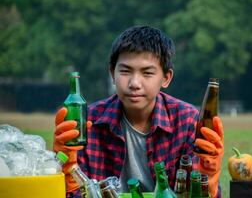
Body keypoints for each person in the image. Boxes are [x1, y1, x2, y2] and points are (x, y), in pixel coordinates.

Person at [53, 25, 224, 198]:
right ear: (112, 72)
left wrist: (208, 182)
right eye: (126, 71)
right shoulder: (88, 122)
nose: (135, 83)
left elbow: (199, 194)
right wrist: (63, 171)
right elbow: (75, 194)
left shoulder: (187, 120)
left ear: (166, 78)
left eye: (147, 73)